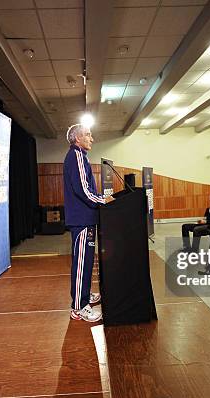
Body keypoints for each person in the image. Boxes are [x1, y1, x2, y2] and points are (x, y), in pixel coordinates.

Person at [63, 124, 113, 322]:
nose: (92, 138)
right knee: (82, 263)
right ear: (77, 138)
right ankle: (78, 307)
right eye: (88, 135)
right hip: (81, 219)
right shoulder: (76, 156)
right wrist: (103, 200)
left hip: (85, 218)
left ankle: (83, 296)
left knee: (85, 262)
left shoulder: (80, 156)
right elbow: (83, 190)